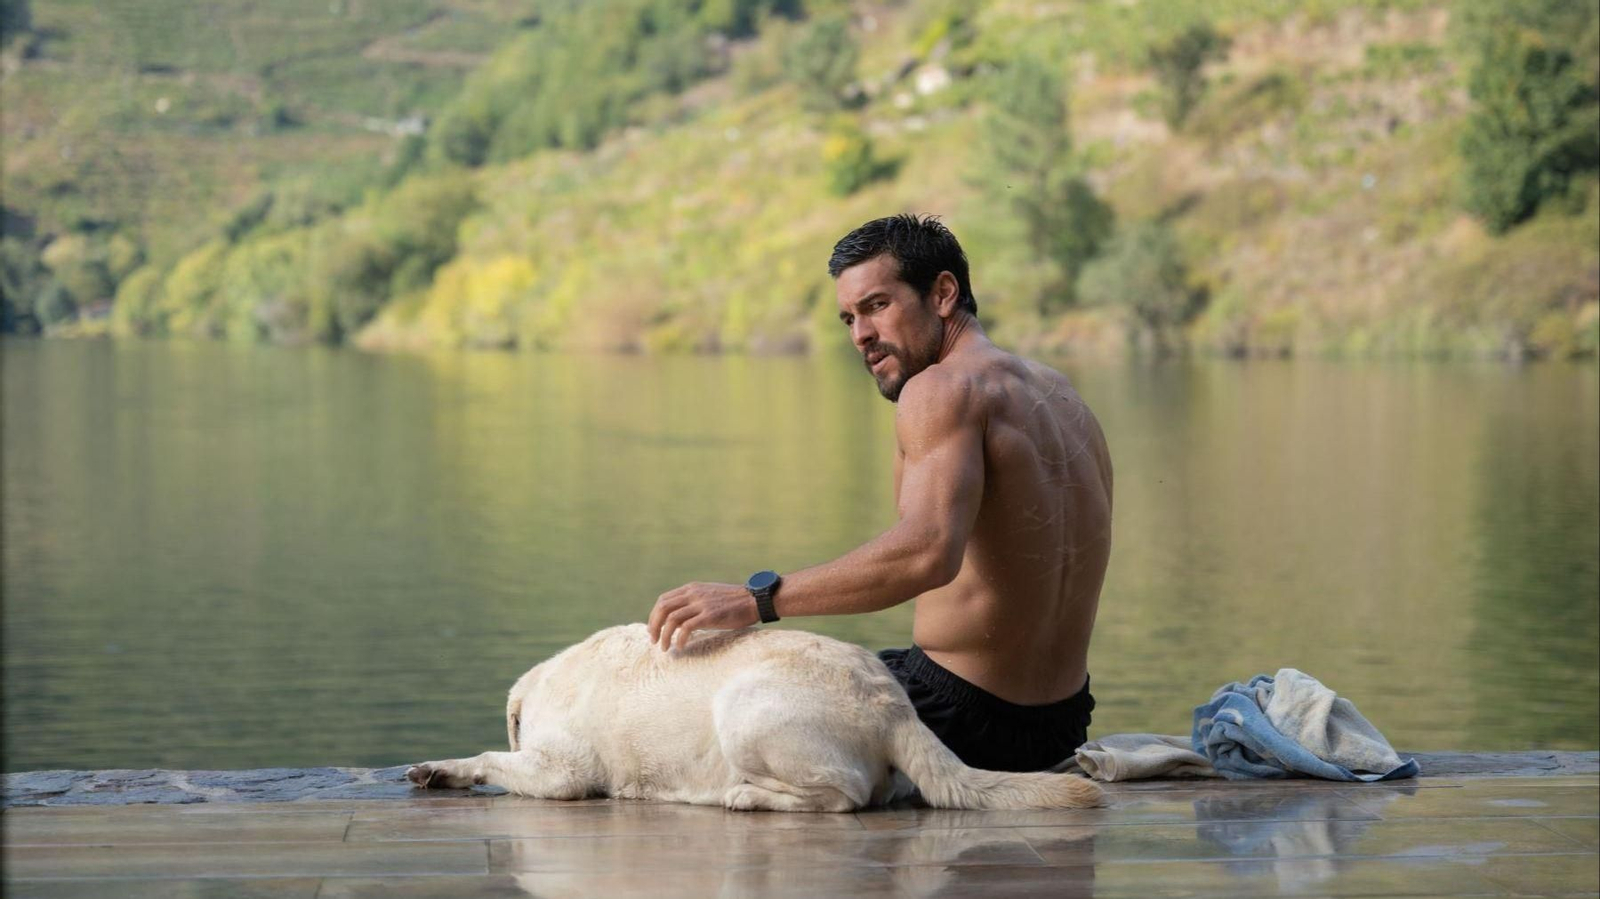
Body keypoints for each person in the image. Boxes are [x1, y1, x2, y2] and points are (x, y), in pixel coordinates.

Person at [647, 213, 1114, 773]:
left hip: (953, 717)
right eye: (848, 318)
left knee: (697, 715)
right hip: (1062, 723)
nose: (860, 336)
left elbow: (928, 552)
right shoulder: (1062, 396)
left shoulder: (940, 390)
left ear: (943, 293)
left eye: (876, 306)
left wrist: (755, 600)